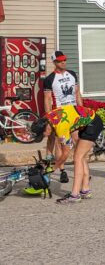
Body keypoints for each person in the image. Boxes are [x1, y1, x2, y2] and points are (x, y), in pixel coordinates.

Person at [23, 50, 83, 195]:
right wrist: (49, 117)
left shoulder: (72, 74)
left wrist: (81, 111)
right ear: (54, 62)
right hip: (60, 114)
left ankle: (81, 171)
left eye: (65, 60)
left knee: (78, 142)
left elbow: (77, 93)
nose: (64, 62)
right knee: (58, 143)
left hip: (74, 113)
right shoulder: (50, 79)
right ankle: (55, 172)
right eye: (61, 60)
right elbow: (47, 99)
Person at [30, 105, 103, 204]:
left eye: (42, 135)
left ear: (45, 129)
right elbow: (50, 140)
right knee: (81, 156)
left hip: (93, 123)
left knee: (77, 157)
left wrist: (54, 168)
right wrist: (47, 160)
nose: (43, 137)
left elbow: (65, 153)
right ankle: (85, 190)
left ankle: (75, 195)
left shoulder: (60, 128)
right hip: (87, 123)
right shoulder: (47, 119)